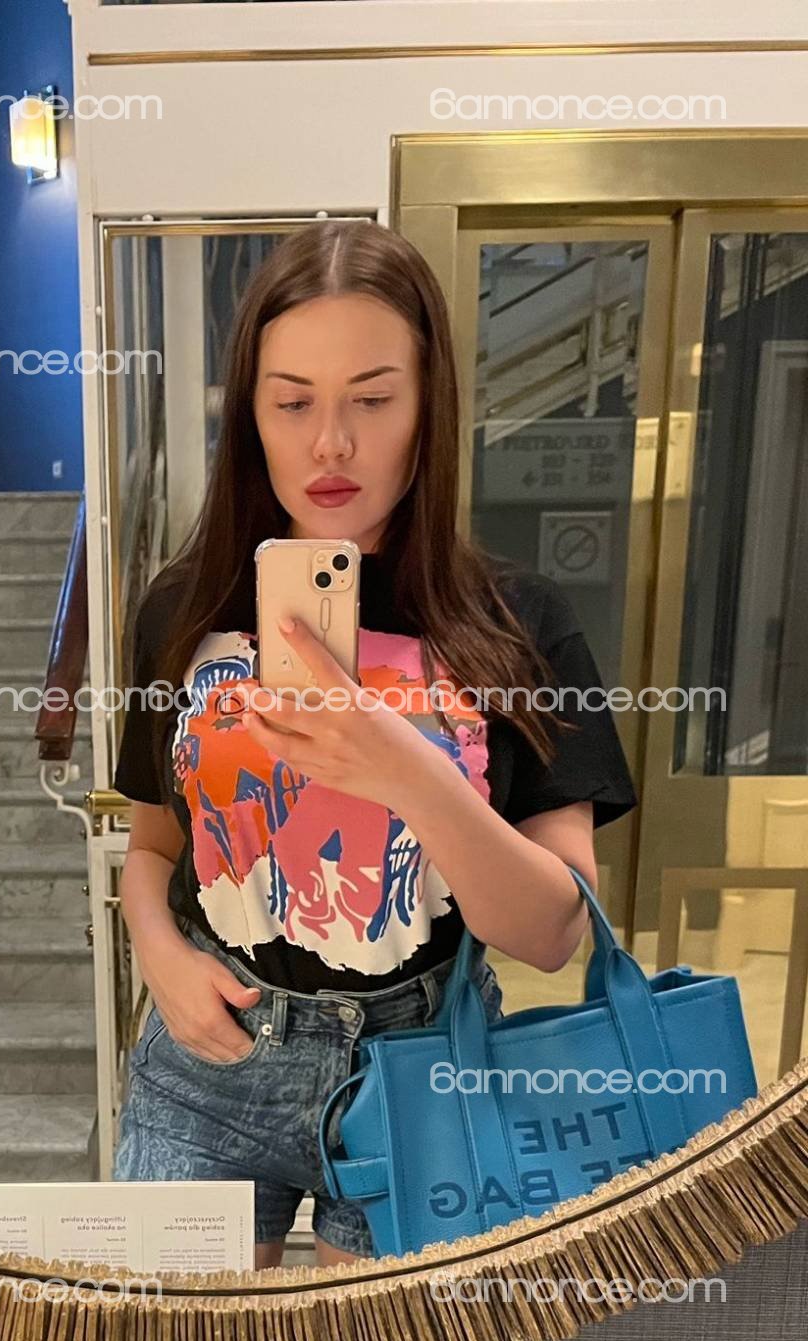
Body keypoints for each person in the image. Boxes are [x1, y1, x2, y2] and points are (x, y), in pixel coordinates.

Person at [110, 219, 638, 1270]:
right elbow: (153, 850)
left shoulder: (519, 622)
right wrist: (159, 955)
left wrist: (405, 769)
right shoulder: (185, 610)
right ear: (250, 415)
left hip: (426, 1062)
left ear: (428, 404)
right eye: (292, 402)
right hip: (210, 1061)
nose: (331, 444)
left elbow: (551, 932)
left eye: (372, 399)